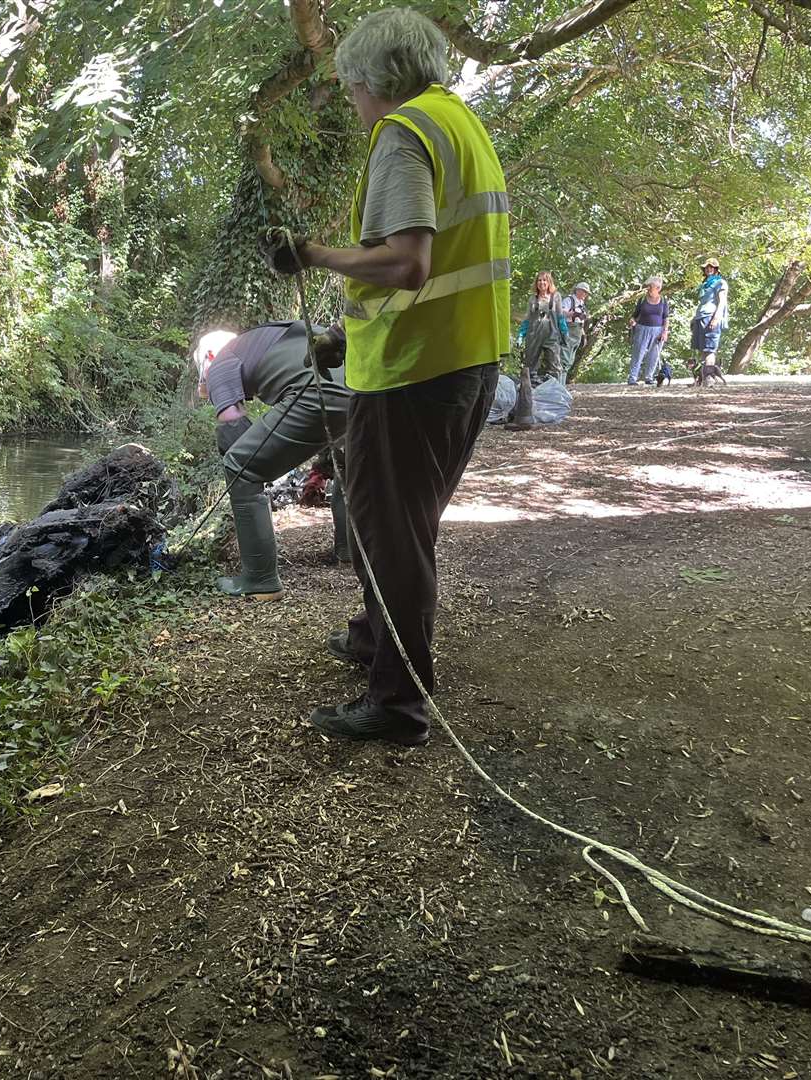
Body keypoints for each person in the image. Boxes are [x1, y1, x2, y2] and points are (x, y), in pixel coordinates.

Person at [264, 8, 509, 745]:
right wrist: (344, 333)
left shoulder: (403, 135)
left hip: (413, 373)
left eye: (349, 86)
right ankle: (377, 635)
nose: (350, 99)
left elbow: (408, 262)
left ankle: (398, 702)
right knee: (401, 520)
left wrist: (312, 255)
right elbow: (448, 266)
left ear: (374, 79)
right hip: (464, 358)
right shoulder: (460, 124)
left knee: (389, 530)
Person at [200, 321, 352, 600]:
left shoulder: (219, 361)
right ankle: (349, 552)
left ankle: (260, 580)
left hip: (316, 390)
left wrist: (252, 473)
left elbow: (232, 427)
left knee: (240, 465)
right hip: (361, 387)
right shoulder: (259, 339)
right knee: (348, 470)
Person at [516, 271, 568, 383]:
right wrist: (521, 334)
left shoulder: (556, 297)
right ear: (536, 283)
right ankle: (529, 392)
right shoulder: (532, 299)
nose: (542, 282)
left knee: (555, 366)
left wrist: (564, 331)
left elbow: (560, 315)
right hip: (533, 336)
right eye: (539, 280)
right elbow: (527, 318)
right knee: (529, 366)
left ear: (549, 282)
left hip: (552, 335)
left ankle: (557, 393)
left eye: (544, 280)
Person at [627, 276, 671, 385]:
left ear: (658, 288)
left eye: (650, 286)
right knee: (638, 353)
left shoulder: (664, 301)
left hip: (658, 330)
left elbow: (666, 318)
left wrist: (665, 332)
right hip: (642, 329)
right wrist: (632, 321)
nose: (648, 289)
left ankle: (649, 377)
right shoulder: (642, 300)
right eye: (648, 286)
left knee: (654, 355)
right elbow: (634, 315)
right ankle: (632, 378)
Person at [692, 258, 728, 372]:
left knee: (709, 349)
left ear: (716, 269)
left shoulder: (720, 282)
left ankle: (709, 378)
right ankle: (702, 378)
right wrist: (694, 318)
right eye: (706, 267)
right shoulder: (705, 284)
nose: (708, 269)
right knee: (702, 348)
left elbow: (722, 301)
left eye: (711, 267)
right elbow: (703, 302)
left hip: (711, 316)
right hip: (701, 316)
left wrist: (716, 318)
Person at [559, 281, 590, 380]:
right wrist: (570, 314)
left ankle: (561, 386)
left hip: (578, 331)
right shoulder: (569, 300)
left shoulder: (582, 303)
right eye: (583, 291)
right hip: (568, 330)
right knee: (564, 360)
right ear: (577, 290)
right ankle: (560, 386)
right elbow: (560, 313)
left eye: (586, 292)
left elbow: (582, 320)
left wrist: (583, 335)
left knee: (570, 361)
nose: (585, 294)